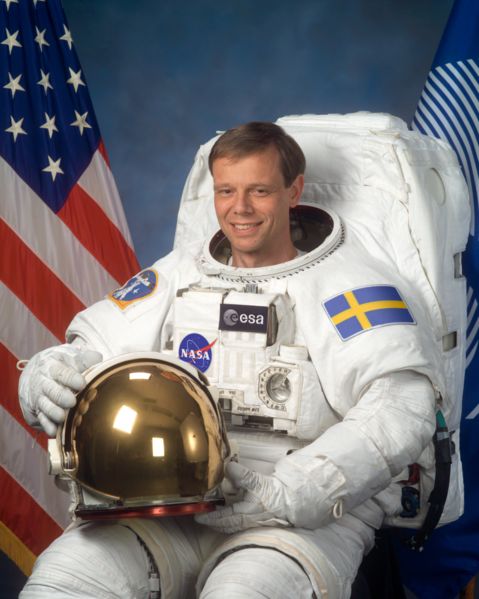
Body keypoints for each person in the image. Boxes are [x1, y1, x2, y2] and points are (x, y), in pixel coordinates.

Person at [19, 121, 449, 598]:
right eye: (226, 190)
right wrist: (47, 371)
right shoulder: (181, 271)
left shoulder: (353, 288)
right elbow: (90, 347)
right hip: (170, 506)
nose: (239, 208)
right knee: (64, 581)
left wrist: (293, 494)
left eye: (259, 191)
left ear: (293, 191)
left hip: (299, 520)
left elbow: (401, 412)